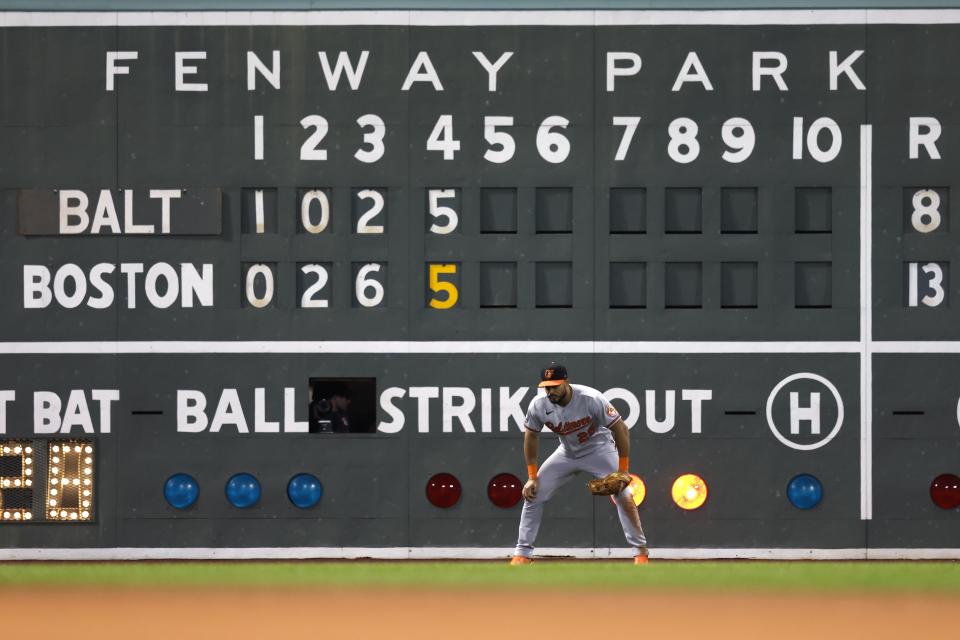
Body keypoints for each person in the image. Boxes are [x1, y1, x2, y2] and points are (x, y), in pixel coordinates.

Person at [510, 362, 649, 565]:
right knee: (533, 493)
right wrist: (531, 477)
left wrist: (623, 471)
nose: (550, 391)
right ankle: (522, 553)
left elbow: (621, 429)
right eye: (546, 387)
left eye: (555, 385)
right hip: (566, 453)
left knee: (624, 494)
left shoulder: (590, 398)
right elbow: (530, 437)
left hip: (599, 449)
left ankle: (640, 553)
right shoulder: (538, 405)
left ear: (566, 382)